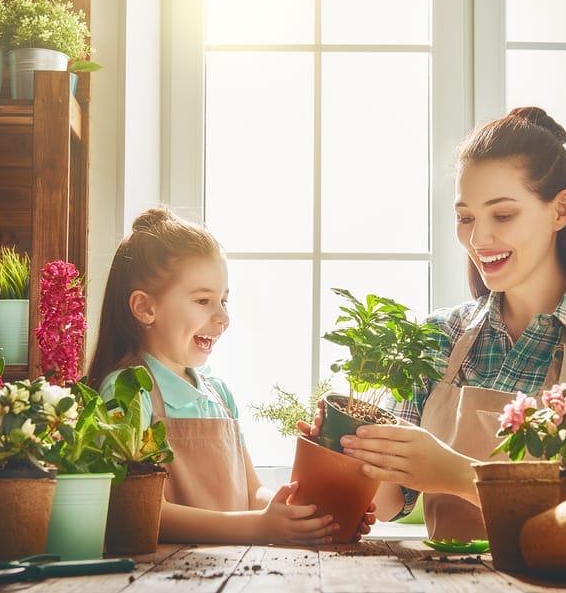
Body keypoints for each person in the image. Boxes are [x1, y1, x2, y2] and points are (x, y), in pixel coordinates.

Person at [301, 107, 566, 542]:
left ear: (560, 211)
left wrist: (457, 474)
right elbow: (386, 502)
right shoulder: (442, 335)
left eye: (502, 215)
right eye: (466, 218)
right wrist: (346, 449)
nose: (479, 239)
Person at [87, 207, 374, 545]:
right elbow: (139, 513)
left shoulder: (219, 396)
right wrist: (259, 527)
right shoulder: (128, 392)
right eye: (203, 300)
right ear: (145, 308)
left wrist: (313, 516)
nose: (222, 317)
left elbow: (254, 495)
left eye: (224, 300)